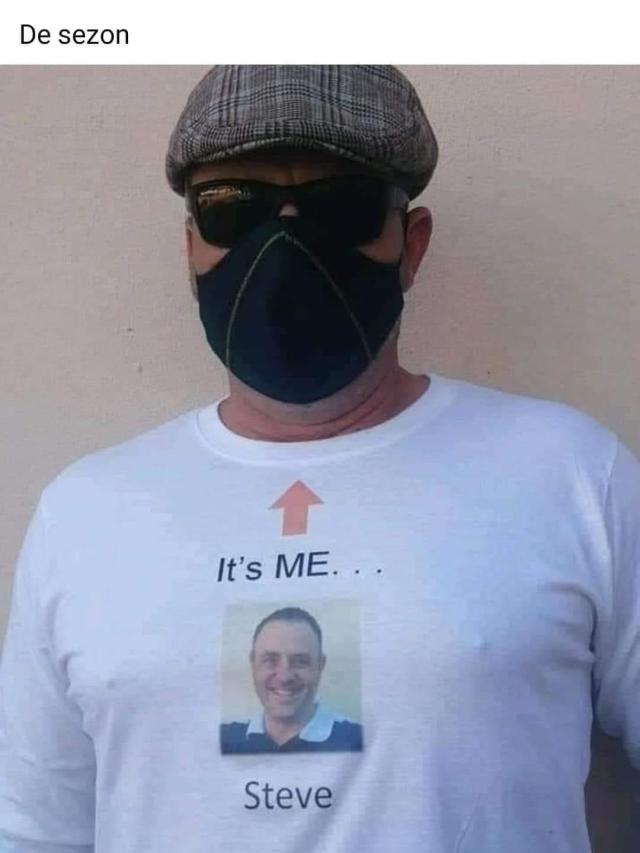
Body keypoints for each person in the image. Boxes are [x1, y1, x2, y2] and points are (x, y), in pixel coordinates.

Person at [0, 65, 638, 853]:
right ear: (191, 248)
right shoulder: (86, 513)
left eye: (343, 206)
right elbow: (34, 831)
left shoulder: (573, 474)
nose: (285, 243)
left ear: (412, 245)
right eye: (233, 207)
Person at [220, 607, 362, 754]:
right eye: (270, 660)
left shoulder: (357, 739)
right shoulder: (224, 739)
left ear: (320, 666)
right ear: (253, 663)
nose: (285, 677)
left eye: (300, 661)